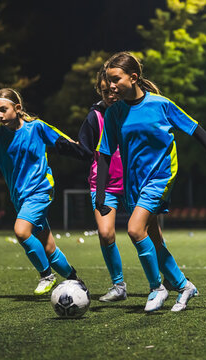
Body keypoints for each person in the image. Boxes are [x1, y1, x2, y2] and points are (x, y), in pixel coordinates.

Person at [96, 52, 206, 312]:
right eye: (109, 80)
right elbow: (104, 153)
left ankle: (156, 288)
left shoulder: (161, 104)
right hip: (133, 184)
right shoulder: (114, 113)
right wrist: (100, 194)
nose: (111, 85)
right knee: (154, 239)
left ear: (133, 77)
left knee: (135, 230)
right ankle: (184, 286)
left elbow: (195, 129)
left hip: (161, 177)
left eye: (116, 79)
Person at [0, 88, 87, 295]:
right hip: (20, 197)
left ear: (17, 108)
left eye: (3, 109)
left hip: (41, 190)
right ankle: (75, 280)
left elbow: (65, 142)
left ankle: (46, 275)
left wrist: (87, 151)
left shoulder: (36, 127)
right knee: (48, 247)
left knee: (21, 231)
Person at [78, 68, 127, 302]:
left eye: (113, 90)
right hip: (103, 185)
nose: (111, 95)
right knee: (106, 233)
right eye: (105, 92)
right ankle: (119, 286)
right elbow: (84, 149)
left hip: (134, 182)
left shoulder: (133, 111)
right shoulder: (94, 117)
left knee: (149, 233)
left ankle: (167, 278)